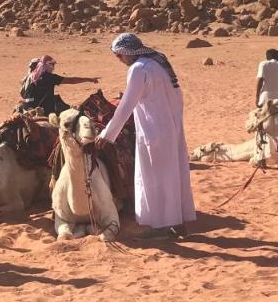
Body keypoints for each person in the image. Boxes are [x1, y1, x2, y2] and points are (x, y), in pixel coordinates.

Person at [99, 33, 196, 239]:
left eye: (119, 55)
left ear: (128, 52)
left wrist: (107, 135)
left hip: (154, 132)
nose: (119, 59)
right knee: (171, 177)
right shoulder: (157, 62)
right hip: (170, 129)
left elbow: (126, 106)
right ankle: (177, 224)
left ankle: (160, 227)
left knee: (155, 178)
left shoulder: (139, 69)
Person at [18, 55, 98, 116]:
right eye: (52, 65)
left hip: (26, 107)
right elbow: (72, 80)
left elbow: (23, 93)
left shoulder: (31, 76)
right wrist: (89, 79)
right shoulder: (49, 77)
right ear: (47, 65)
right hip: (41, 109)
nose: (53, 67)